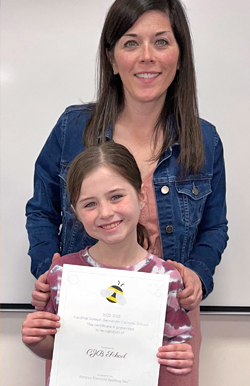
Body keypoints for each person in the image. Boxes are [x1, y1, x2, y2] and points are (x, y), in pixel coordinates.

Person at [26, 0, 228, 386]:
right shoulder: (72, 129)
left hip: (169, 324)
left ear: (180, 56)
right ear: (112, 59)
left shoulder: (204, 140)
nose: (147, 57)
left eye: (161, 42)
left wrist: (196, 276)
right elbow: (42, 211)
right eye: (130, 43)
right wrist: (50, 271)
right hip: (84, 321)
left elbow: (214, 230)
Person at [22, 142, 195, 386]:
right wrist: (35, 339)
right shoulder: (63, 274)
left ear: (141, 196)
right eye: (90, 204)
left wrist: (180, 356)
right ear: (76, 212)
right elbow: (57, 348)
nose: (105, 212)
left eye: (116, 196)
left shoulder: (165, 277)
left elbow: (175, 347)